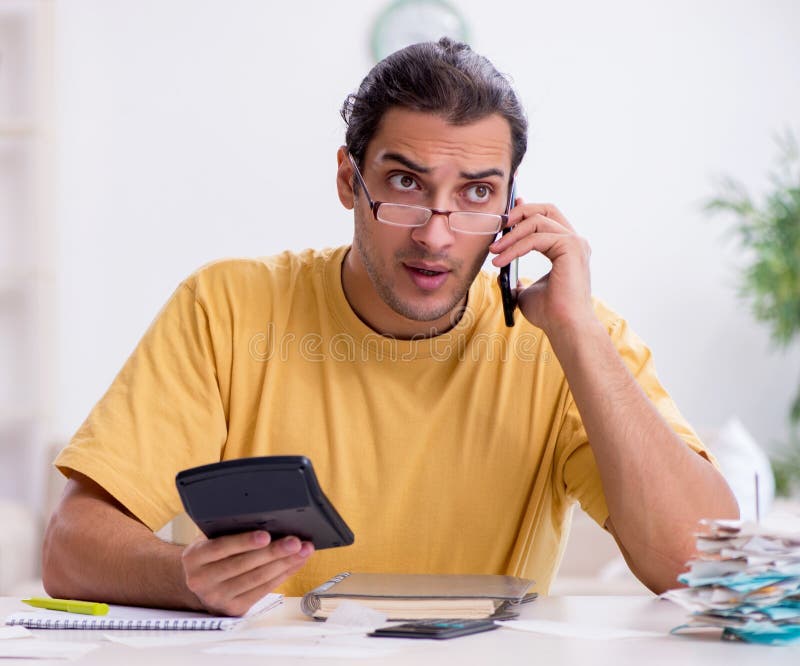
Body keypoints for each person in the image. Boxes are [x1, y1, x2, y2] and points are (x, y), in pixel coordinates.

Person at [42, 38, 738, 616]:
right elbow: (70, 546)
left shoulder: (570, 336)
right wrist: (184, 577)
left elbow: (703, 568)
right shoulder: (226, 307)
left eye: (476, 193)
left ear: (512, 207)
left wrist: (579, 337)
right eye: (406, 183)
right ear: (350, 180)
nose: (436, 235)